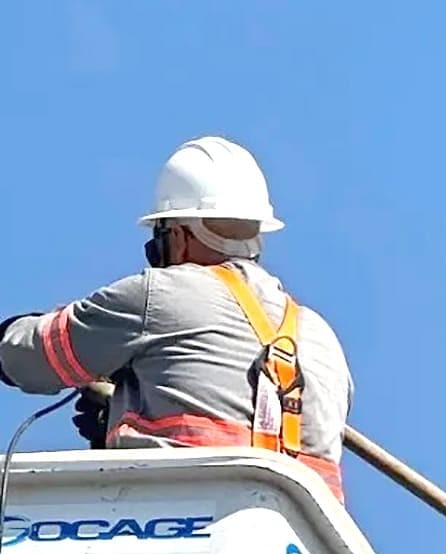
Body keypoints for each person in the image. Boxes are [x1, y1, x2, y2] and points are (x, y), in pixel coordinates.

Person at [0, 137, 351, 502]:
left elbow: (30, 358)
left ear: (179, 235)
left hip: (182, 514)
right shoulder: (321, 339)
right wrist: (123, 414)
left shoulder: (161, 294)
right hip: (296, 547)